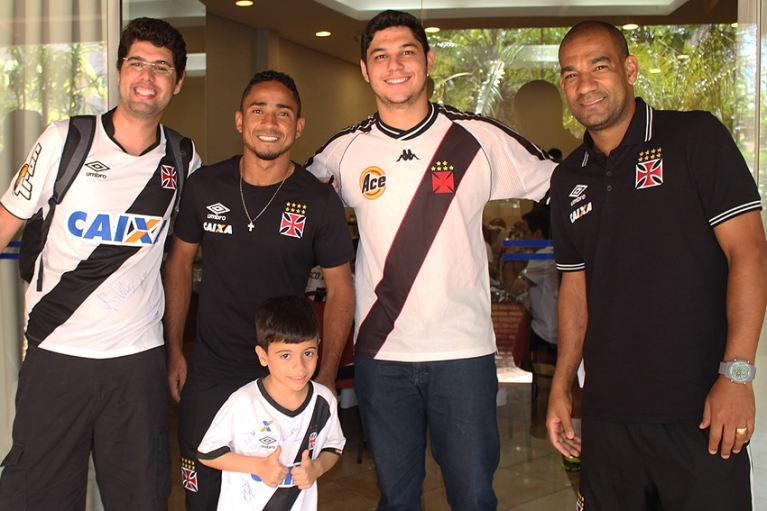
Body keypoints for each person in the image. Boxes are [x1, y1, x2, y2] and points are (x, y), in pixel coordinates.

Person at [305, 10, 557, 510]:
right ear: (364, 69)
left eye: (407, 52)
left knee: (473, 498)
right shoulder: (342, 151)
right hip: (381, 354)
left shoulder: (478, 138)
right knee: (396, 499)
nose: (394, 65)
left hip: (463, 353)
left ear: (429, 60)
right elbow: (289, 209)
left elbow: (564, 186)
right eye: (380, 55)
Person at [546, 20, 767, 511]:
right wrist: (562, 385)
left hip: (699, 408)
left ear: (629, 69)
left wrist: (737, 376)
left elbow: (749, 252)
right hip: (608, 415)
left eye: (598, 66)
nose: (584, 85)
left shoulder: (694, 137)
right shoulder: (568, 178)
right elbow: (575, 290)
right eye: (570, 74)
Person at [0, 17, 200, 510]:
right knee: (38, 498)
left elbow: (180, 261)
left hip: (137, 363)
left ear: (177, 82)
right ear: (119, 70)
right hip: (56, 355)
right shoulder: (65, 140)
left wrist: (175, 350)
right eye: (137, 63)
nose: (147, 77)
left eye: (161, 67)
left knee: (141, 498)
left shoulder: (182, 158)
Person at [163, 70, 355, 511]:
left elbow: (341, 290)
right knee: (202, 495)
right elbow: (178, 264)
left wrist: (325, 375)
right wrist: (174, 350)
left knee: (274, 495)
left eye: (283, 113)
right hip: (210, 373)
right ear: (239, 120)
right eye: (258, 110)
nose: (270, 122)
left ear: (298, 126)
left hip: (283, 377)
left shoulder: (319, 201)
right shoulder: (205, 186)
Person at [198, 295, 344, 511]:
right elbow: (208, 453)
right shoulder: (244, 402)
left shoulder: (323, 401)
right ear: (263, 356)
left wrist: (317, 468)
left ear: (318, 347)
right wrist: (258, 466)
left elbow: (334, 446)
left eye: (308, 353)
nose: (299, 366)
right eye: (285, 356)